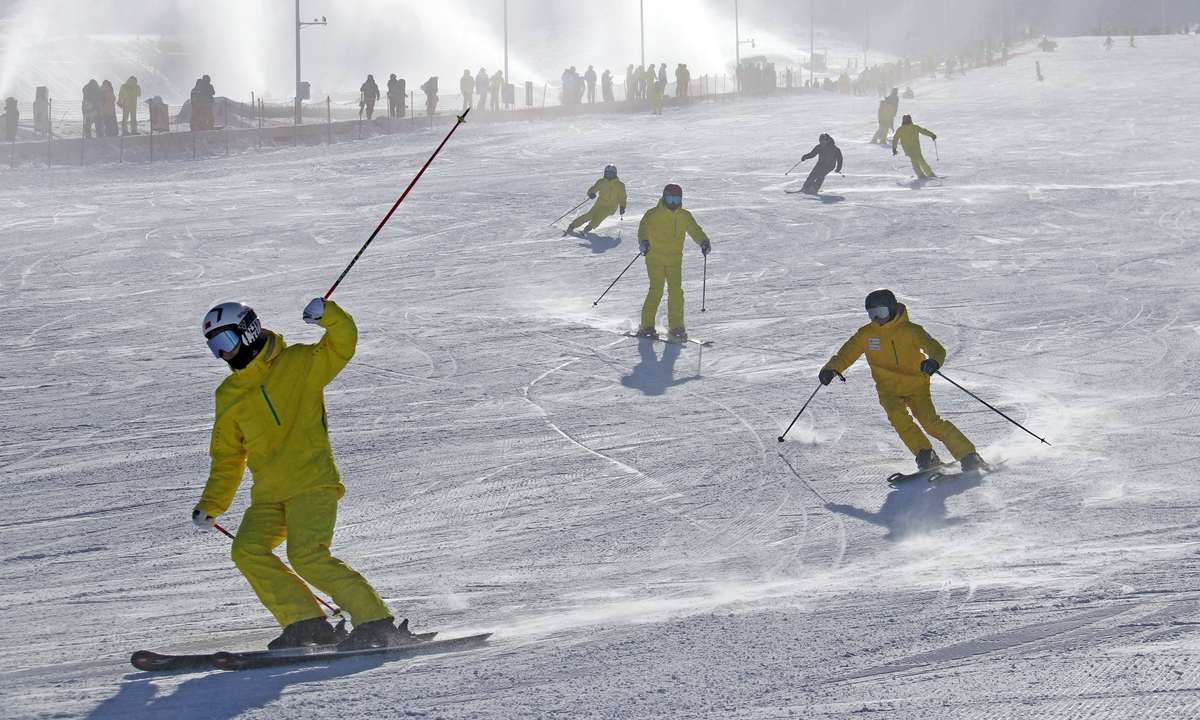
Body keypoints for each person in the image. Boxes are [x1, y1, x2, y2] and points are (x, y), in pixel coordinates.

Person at [194, 299, 422, 651]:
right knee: (247, 550)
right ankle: (307, 623)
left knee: (307, 555)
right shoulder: (229, 394)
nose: (223, 355)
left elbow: (341, 345)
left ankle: (376, 623)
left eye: (225, 343)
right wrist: (212, 503)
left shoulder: (299, 363)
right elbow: (227, 455)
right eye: (214, 349)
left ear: (249, 332)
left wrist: (329, 315)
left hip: (312, 482)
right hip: (269, 494)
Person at [818, 289, 986, 474]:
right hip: (887, 389)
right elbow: (844, 356)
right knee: (900, 422)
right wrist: (830, 370)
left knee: (930, 422)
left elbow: (935, 348)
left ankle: (969, 455)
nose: (877, 319)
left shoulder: (910, 330)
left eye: (880, 313)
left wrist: (933, 361)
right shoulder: (866, 334)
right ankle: (925, 454)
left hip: (916, 385)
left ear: (891, 309)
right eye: (872, 314)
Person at [635, 184, 710, 341]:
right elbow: (644, 229)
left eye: (676, 199)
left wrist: (703, 241)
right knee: (657, 289)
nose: (673, 202)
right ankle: (646, 325)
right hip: (655, 258)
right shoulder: (653, 214)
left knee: (676, 291)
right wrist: (644, 242)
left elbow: (695, 230)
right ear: (664, 197)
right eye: (670, 198)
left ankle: (676, 326)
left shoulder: (684, 216)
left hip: (674, 260)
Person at [566, 165, 627, 235]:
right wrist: (591, 193)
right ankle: (573, 225)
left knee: (601, 215)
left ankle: (589, 227)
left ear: (615, 175)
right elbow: (593, 189)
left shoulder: (620, 185)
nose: (610, 176)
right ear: (605, 173)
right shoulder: (601, 182)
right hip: (600, 203)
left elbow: (622, 197)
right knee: (590, 215)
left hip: (611, 206)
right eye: (608, 174)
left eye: (612, 174)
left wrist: (622, 206)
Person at [892, 115, 937, 179]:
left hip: (916, 148)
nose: (906, 121)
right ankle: (920, 174)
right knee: (914, 159)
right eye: (905, 119)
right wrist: (894, 148)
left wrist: (932, 135)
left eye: (907, 119)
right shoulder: (901, 130)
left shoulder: (915, 127)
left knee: (921, 160)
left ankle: (930, 173)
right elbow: (895, 139)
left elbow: (923, 131)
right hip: (908, 149)